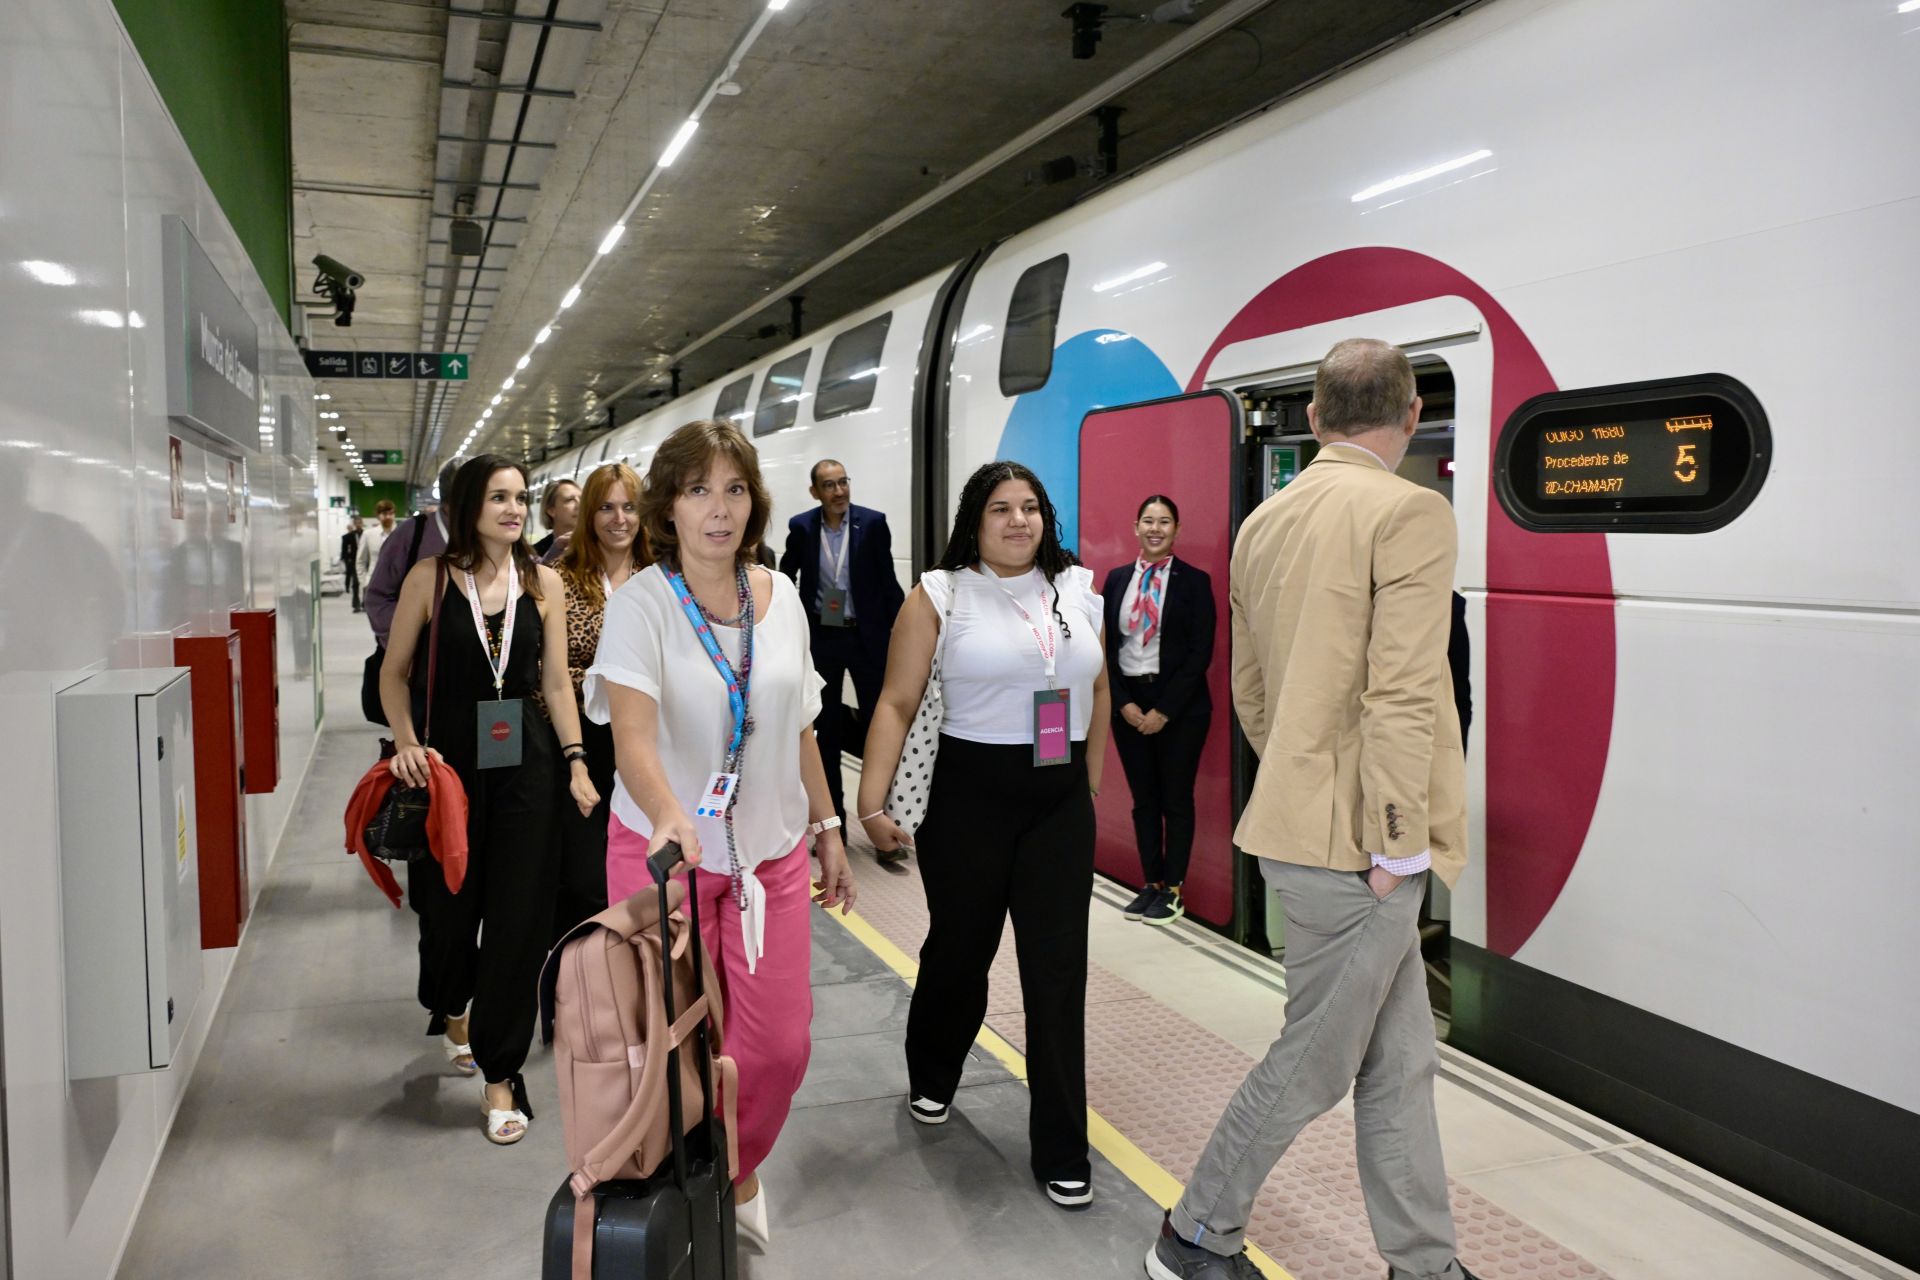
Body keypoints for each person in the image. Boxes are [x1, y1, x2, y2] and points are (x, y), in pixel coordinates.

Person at [1144, 340, 1475, 1280]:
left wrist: (1302, 774)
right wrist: (1396, 844)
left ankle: (1425, 1263)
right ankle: (1194, 1236)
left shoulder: (1264, 521)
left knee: (1400, 1063)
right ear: (1412, 414)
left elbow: (1252, 692)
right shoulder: (1410, 512)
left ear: (1319, 417)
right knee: (1314, 1062)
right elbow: (1404, 692)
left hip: (1304, 827)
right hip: (1365, 850)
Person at [583, 419, 857, 1252]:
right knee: (670, 1052)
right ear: (669, 506)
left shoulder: (781, 600)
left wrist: (828, 825)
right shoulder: (642, 606)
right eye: (699, 490)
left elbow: (800, 725)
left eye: (734, 489)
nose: (719, 508)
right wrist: (668, 810)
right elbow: (632, 738)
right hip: (664, 860)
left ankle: (737, 1166)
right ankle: (689, 1181)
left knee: (777, 1046)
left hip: (766, 858)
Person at [859, 460, 1110, 1210]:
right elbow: (897, 702)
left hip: (1058, 803)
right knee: (961, 953)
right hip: (967, 799)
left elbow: (1098, 686)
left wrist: (1090, 784)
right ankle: (933, 1071)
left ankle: (1062, 1146)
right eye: (1000, 508)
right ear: (975, 520)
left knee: (1058, 973)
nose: (1018, 520)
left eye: (1030, 507)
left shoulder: (1078, 588)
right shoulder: (940, 594)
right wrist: (871, 804)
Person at [380, 454, 599, 1147]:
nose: (515, 509)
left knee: (518, 920)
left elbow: (556, 682)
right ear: (469, 505)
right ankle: (452, 1004)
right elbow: (393, 674)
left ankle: (501, 1074)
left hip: (526, 764)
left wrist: (575, 759)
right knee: (447, 915)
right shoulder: (430, 578)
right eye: (500, 497)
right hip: (446, 767)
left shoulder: (543, 581)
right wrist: (407, 741)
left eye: (522, 497)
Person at [541, 462, 648, 944]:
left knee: (643, 865)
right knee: (584, 876)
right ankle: (579, 970)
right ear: (588, 514)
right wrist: (575, 758)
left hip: (647, 738)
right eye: (606, 507)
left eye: (629, 507)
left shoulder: (664, 578)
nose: (619, 519)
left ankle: (636, 967)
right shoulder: (558, 578)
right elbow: (551, 672)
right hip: (580, 736)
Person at [1102, 495, 1215, 927]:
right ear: (1136, 527)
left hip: (1180, 710)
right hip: (1129, 706)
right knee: (1144, 800)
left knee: (1176, 799)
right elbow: (1105, 648)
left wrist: (1163, 711)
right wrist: (1124, 703)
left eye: (1164, 521)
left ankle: (1174, 890)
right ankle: (1150, 883)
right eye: (1148, 521)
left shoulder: (1195, 582)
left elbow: (1200, 653)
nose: (1155, 528)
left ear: (1176, 530)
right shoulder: (1116, 580)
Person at [778, 459, 904, 839]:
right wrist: (788, 629)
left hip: (866, 640)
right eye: (830, 485)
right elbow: (785, 578)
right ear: (815, 492)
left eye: (843, 482)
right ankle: (834, 828)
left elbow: (888, 582)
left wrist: (902, 633)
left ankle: (886, 826)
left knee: (880, 730)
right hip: (823, 640)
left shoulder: (873, 524)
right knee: (826, 735)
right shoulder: (802, 527)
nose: (839, 491)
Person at [366, 460, 461, 647]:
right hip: (418, 652)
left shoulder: (488, 535)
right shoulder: (412, 533)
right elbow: (378, 598)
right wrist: (406, 642)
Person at [357, 499, 397, 600]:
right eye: (384, 514)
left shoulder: (402, 534)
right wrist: (364, 582)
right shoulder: (368, 534)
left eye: (391, 513)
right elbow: (360, 561)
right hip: (374, 584)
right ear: (378, 516)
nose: (388, 517)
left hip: (397, 585)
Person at [533, 477, 580, 560]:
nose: (579, 504)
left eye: (582, 498)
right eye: (570, 500)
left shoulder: (598, 546)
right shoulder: (536, 553)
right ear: (551, 510)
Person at [341, 516, 365, 611]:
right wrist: (348, 561)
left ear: (362, 523)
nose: (358, 525)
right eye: (357, 523)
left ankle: (365, 603)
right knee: (355, 584)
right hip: (354, 563)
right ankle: (356, 605)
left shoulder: (366, 534)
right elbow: (344, 551)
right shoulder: (348, 536)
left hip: (365, 562)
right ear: (354, 524)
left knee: (366, 584)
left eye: (360, 523)